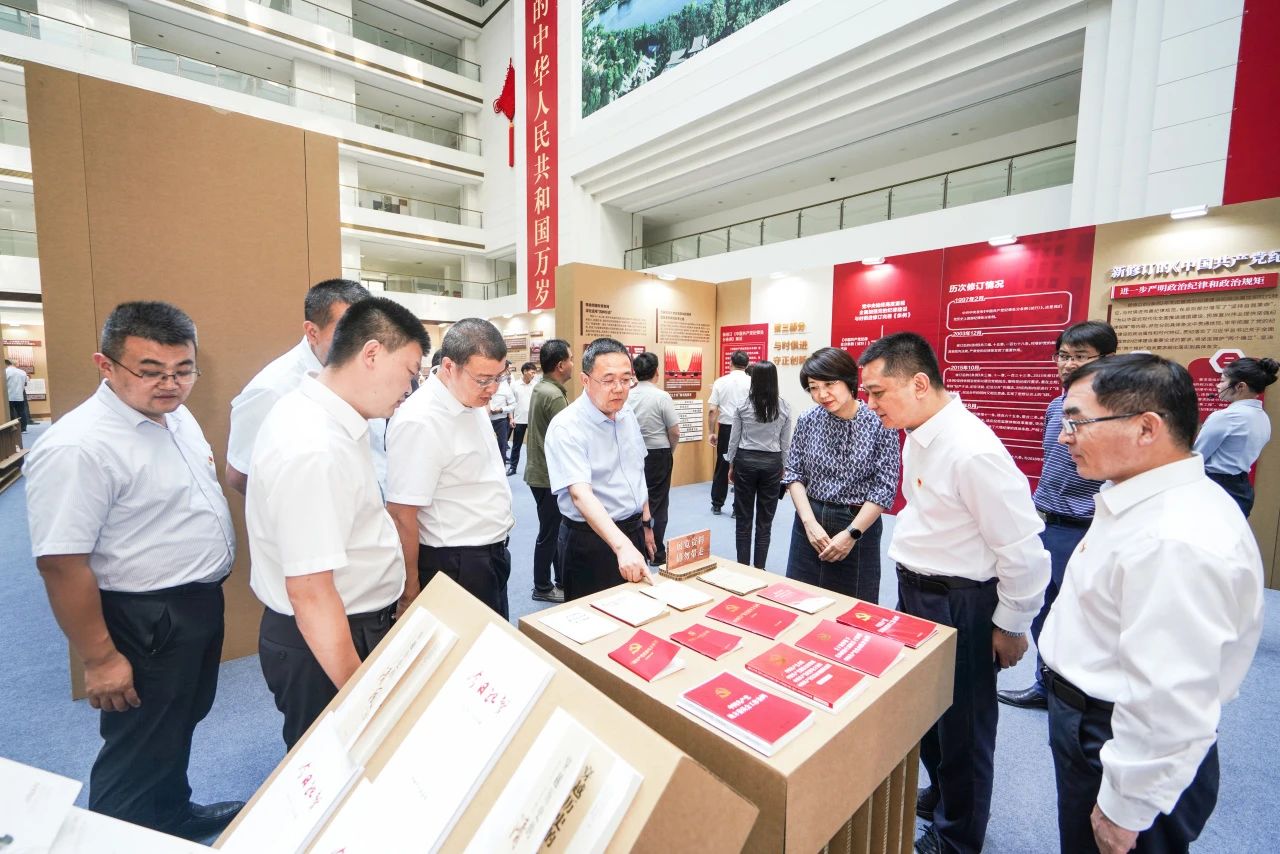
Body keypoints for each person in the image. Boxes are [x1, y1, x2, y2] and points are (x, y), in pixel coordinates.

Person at [25, 302, 242, 839]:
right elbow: (60, 563)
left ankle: (169, 813)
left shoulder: (175, 415)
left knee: (178, 721)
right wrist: (100, 659)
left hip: (195, 602)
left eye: (183, 370)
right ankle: (114, 838)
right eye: (151, 371)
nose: (171, 384)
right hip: (143, 617)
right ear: (106, 365)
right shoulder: (79, 446)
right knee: (138, 744)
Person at [1040, 354, 1263, 854]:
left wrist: (1126, 807)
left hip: (1118, 738)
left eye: (1078, 422)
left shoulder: (1176, 538)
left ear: (1146, 428)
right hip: (1093, 723)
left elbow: (1171, 698)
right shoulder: (1137, 497)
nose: (1064, 438)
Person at [857, 332, 1049, 854]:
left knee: (964, 725)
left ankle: (957, 838)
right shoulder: (919, 433)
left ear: (919, 384)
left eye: (878, 392)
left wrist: (1012, 625)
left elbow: (1023, 550)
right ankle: (944, 793)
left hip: (962, 601)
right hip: (919, 592)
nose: (870, 404)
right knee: (926, 710)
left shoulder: (972, 450)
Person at [248, 298, 427, 749]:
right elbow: (310, 591)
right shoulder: (314, 446)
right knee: (335, 756)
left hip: (346, 623)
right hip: (327, 639)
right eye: (410, 373)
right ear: (372, 354)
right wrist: (360, 693)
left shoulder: (326, 416)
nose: (410, 388)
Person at [999, 320, 1117, 711]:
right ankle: (1046, 684)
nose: (1068, 364)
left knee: (1079, 616)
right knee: (1041, 610)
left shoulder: (1113, 411)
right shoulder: (1056, 406)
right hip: (1046, 521)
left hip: (1084, 527)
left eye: (1080, 356)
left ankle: (1078, 694)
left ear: (1107, 359)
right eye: (1063, 355)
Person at [387, 318, 515, 618]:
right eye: (483, 379)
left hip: (491, 555)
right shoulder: (421, 420)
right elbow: (402, 514)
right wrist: (409, 590)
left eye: (499, 377)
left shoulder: (469, 398)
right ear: (448, 367)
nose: (493, 388)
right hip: (454, 564)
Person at [225, 279, 372, 496]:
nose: (360, 345)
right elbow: (240, 475)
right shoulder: (272, 389)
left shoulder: (365, 373)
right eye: (347, 333)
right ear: (312, 332)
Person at [782, 348, 899, 596]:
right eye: (813, 387)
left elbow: (884, 487)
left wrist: (852, 534)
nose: (821, 394)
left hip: (857, 523)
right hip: (810, 519)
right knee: (799, 598)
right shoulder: (808, 419)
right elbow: (794, 473)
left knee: (854, 604)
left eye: (829, 384)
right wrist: (809, 523)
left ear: (849, 380)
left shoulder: (879, 421)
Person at [545, 338, 656, 599]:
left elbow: (637, 470)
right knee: (595, 616)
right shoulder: (567, 426)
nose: (619, 389)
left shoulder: (626, 414)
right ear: (585, 380)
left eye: (626, 379)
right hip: (590, 540)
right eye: (608, 380)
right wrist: (621, 546)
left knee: (638, 609)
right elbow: (580, 495)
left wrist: (646, 523)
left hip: (632, 531)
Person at [723, 360, 793, 568]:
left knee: (743, 520)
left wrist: (731, 464)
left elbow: (734, 439)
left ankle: (742, 568)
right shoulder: (784, 407)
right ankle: (760, 568)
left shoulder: (743, 405)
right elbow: (785, 443)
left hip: (745, 462)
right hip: (772, 464)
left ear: (753, 380)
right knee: (765, 522)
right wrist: (784, 466)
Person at [1193, 355, 1277, 517]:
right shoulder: (1263, 418)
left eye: (1223, 381)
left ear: (1240, 386)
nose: (1218, 385)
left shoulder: (1226, 417)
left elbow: (1197, 456)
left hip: (1216, 489)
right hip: (1242, 489)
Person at [524, 340, 572, 603]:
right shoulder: (553, 396)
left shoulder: (542, 387)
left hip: (541, 473)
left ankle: (559, 580)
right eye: (571, 359)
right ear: (561, 365)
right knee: (550, 532)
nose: (574, 364)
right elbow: (568, 437)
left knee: (552, 530)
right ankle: (542, 586)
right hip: (547, 476)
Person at [626, 351, 679, 565]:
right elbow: (674, 431)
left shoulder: (628, 395)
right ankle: (656, 552)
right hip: (659, 452)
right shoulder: (661, 396)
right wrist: (669, 451)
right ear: (657, 372)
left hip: (633, 453)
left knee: (635, 500)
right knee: (658, 502)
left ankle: (638, 547)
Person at [707, 350, 751, 514]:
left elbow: (712, 410)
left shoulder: (720, 382)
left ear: (730, 363)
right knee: (743, 467)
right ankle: (737, 509)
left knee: (722, 465)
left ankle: (717, 504)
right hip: (746, 428)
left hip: (726, 428)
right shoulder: (752, 382)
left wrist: (711, 432)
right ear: (747, 364)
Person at [507, 361, 538, 475]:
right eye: (532, 372)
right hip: (519, 420)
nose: (534, 375)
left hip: (533, 420)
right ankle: (513, 467)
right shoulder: (514, 385)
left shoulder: (536, 385)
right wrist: (511, 418)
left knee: (534, 446)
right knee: (516, 445)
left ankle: (534, 469)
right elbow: (511, 403)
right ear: (525, 371)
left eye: (534, 373)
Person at [488, 370, 517, 464]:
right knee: (486, 446)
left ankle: (502, 468)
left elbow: (513, 405)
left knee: (502, 447)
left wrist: (501, 410)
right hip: (485, 421)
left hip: (500, 421)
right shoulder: (484, 385)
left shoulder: (505, 388)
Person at [5, 358, 29, 430]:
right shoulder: (23, 372)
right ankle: (23, 428)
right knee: (21, 412)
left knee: (10, 412)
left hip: (9, 395)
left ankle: (13, 427)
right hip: (19, 395)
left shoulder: (5, 371)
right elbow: (25, 383)